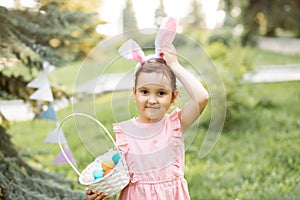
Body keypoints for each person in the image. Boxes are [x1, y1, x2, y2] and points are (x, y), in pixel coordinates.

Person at [86, 44, 209, 200]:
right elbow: (118, 177)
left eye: (161, 93)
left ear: (173, 97)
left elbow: (202, 98)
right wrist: (101, 192)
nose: (152, 100)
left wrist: (175, 66)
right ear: (135, 93)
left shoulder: (175, 125)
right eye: (145, 92)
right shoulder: (125, 133)